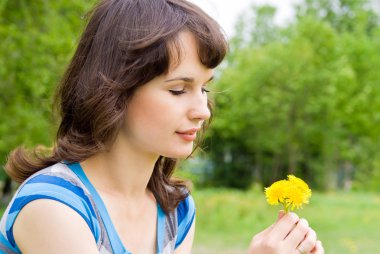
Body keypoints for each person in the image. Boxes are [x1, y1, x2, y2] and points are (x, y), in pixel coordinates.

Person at [0, 0, 324, 253]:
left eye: (204, 88)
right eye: (178, 90)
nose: (202, 111)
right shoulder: (53, 206)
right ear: (115, 90)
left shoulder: (175, 210)